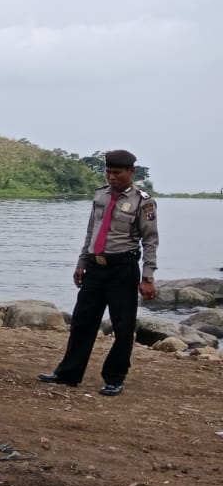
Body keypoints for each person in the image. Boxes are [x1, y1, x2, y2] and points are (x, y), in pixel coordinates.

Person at [38, 149, 158, 396]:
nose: (111, 177)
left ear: (131, 172)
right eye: (108, 172)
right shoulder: (101, 195)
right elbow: (91, 231)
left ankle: (114, 377)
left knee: (123, 327)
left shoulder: (143, 201)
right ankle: (68, 373)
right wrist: (81, 262)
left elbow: (150, 241)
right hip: (95, 267)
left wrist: (147, 277)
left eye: (117, 173)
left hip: (122, 270)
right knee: (82, 322)